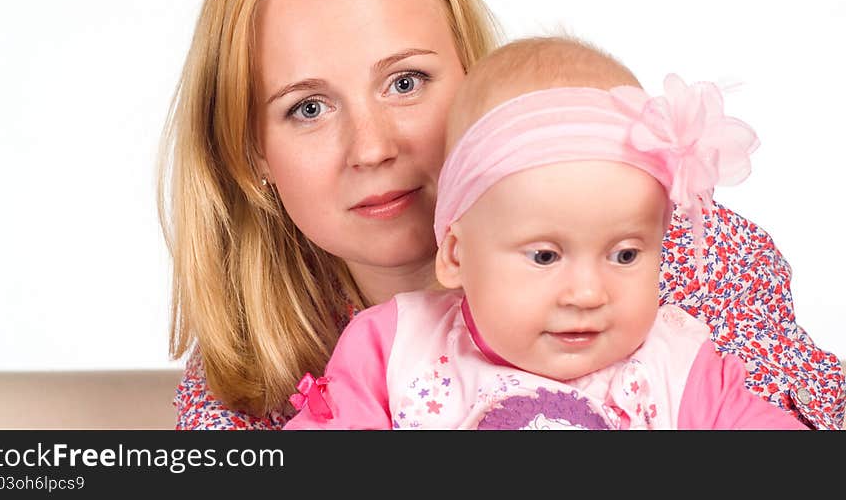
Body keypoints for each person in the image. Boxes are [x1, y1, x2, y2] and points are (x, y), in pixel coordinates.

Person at [158, 0, 845, 430]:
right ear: (253, 154)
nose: (371, 148)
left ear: (471, 75)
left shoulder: (682, 254)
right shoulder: (251, 364)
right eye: (308, 108)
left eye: (406, 82)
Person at [283, 36, 807, 429]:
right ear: (457, 254)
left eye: (625, 254)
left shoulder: (680, 370)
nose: (586, 293)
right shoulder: (396, 349)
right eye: (544, 257)